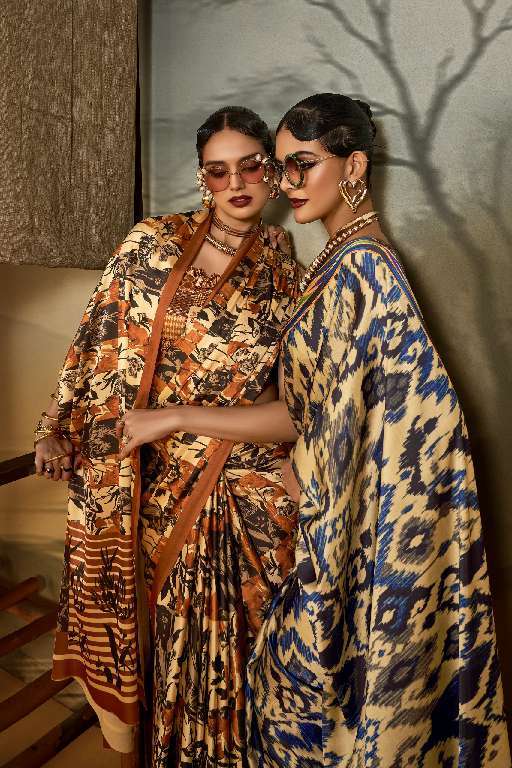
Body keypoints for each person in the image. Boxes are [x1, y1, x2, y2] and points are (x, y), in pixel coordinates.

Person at [161, 94, 511, 766]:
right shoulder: (337, 259)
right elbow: (326, 403)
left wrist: (305, 470)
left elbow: (416, 413)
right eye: (282, 167)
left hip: (359, 526)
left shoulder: (365, 266)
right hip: (325, 512)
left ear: (353, 166)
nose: (287, 183)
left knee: (317, 704)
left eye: (304, 164)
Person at [33, 106, 300, 767]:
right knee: (160, 639)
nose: (235, 184)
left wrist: (185, 417)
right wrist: (55, 427)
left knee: (231, 652)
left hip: (235, 485)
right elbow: (96, 338)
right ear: (203, 178)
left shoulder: (284, 268)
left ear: (271, 172)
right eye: (218, 171)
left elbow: (287, 399)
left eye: (250, 167)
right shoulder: (152, 242)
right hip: (144, 476)